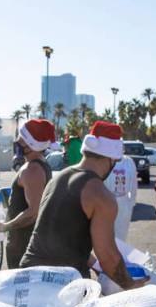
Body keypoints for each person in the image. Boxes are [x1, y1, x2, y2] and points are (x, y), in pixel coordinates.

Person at [21, 121, 147, 291]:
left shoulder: (59, 177)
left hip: (28, 275)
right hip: (61, 285)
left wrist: (97, 266)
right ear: (111, 158)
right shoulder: (101, 195)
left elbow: (64, 238)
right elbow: (107, 255)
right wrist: (130, 285)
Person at [0, 119, 54, 268]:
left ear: (31, 144)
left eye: (21, 139)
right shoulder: (37, 166)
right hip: (27, 245)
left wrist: (4, 226)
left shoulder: (32, 170)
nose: (17, 142)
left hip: (24, 247)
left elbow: (33, 212)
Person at [103, 143, 139, 242]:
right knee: (107, 234)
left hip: (123, 202)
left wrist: (131, 202)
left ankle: (119, 255)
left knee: (121, 234)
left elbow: (134, 183)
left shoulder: (129, 162)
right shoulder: (106, 161)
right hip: (108, 201)